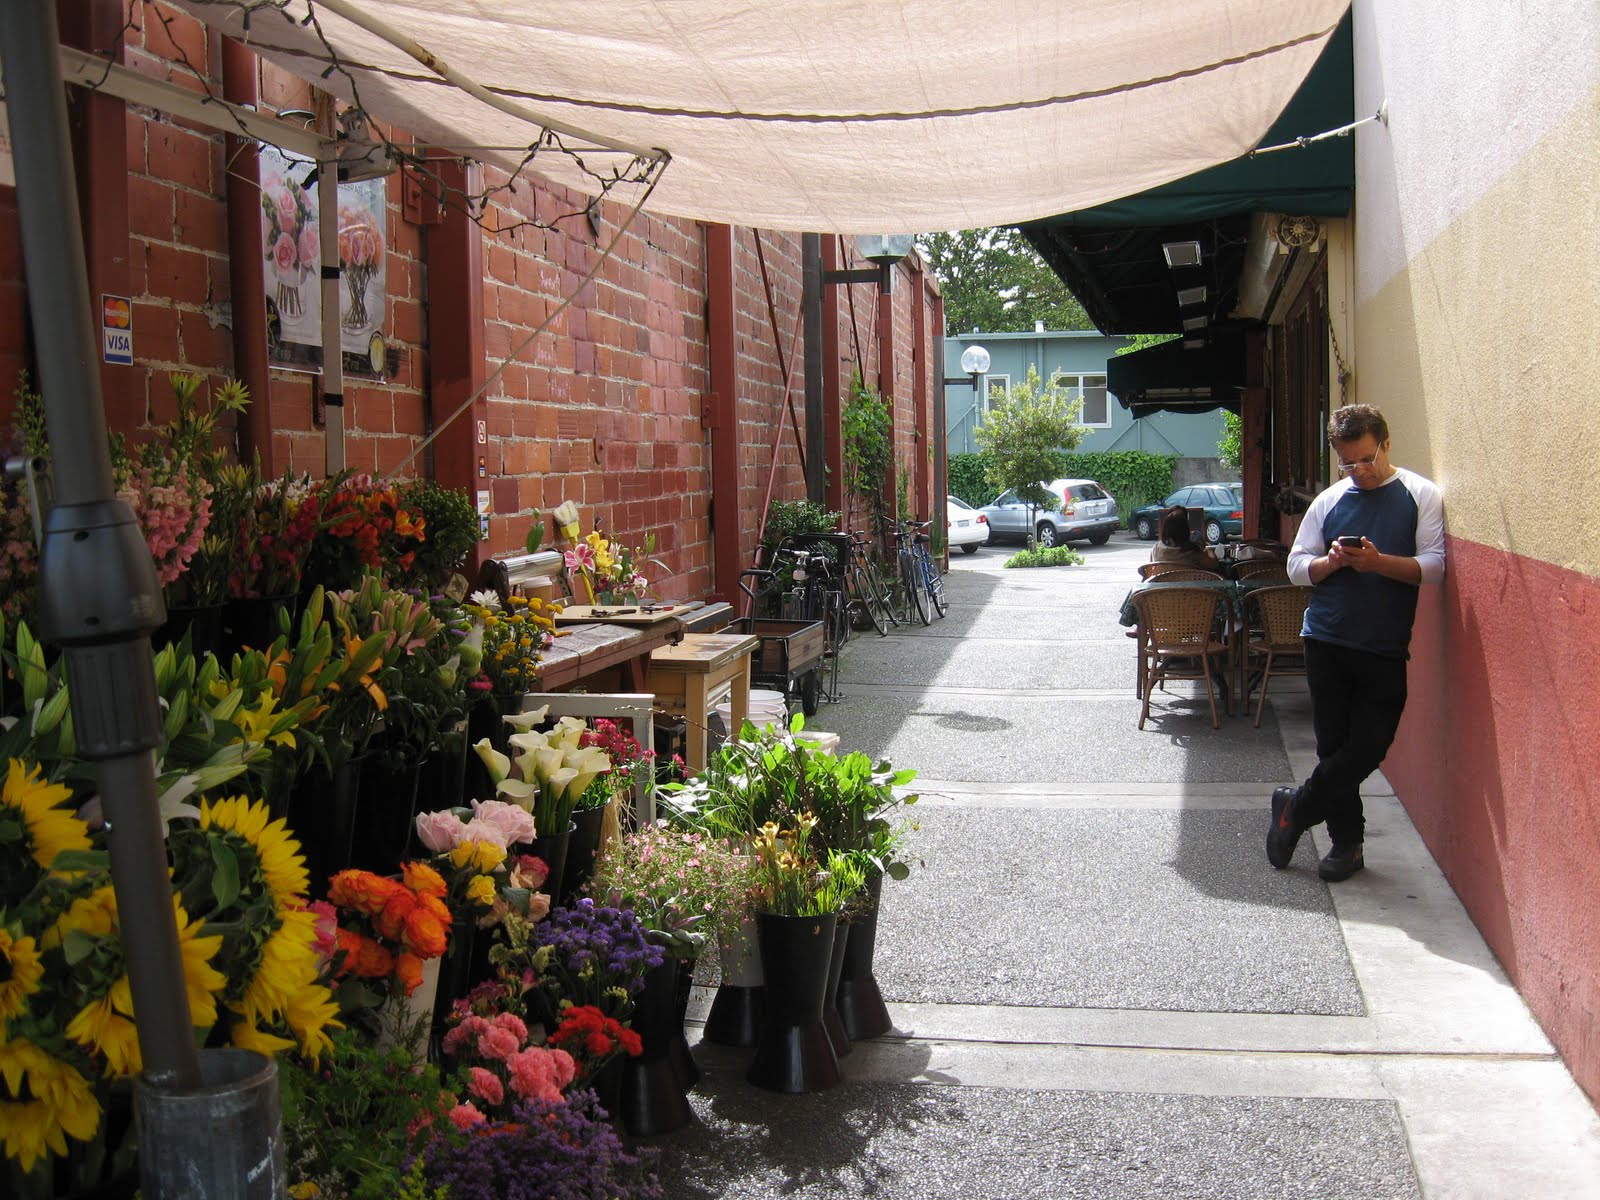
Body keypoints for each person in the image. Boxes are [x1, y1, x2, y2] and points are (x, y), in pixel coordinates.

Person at [1267, 403, 1445, 881]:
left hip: (1383, 645)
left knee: (1368, 747)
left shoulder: (1419, 494)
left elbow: (1435, 565)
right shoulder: (1329, 501)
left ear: (1385, 444)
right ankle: (1348, 846)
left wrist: (1379, 563)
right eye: (1349, 463)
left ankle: (1295, 808)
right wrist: (1330, 564)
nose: (1361, 471)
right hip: (1325, 638)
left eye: (1367, 459)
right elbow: (1296, 566)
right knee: (1334, 747)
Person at [1148, 506, 1220, 572]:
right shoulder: (1193, 552)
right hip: (1190, 586)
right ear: (1186, 530)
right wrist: (1209, 549)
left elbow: (1151, 569)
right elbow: (1214, 565)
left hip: (1162, 585)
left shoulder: (1156, 549)